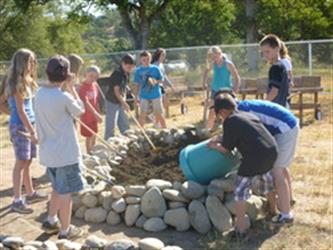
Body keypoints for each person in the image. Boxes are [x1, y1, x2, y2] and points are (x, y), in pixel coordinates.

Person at [214, 89, 298, 221]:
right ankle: (288, 200)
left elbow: (247, 134)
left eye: (220, 115)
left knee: (277, 172)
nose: (221, 119)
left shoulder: (240, 113)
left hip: (285, 127)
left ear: (223, 110)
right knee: (280, 166)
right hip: (287, 122)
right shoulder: (240, 107)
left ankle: (286, 214)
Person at [208, 93, 278, 239]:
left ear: (222, 112)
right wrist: (222, 137)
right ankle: (273, 211)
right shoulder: (245, 115)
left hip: (254, 157)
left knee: (240, 191)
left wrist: (213, 146)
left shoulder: (229, 121)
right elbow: (244, 134)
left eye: (219, 115)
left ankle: (240, 229)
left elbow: (226, 150)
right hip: (271, 150)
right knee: (266, 181)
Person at [35, 55, 86, 239]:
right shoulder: (63, 97)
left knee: (56, 187)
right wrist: (72, 89)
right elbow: (80, 110)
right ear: (66, 76)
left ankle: (51, 220)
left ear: (47, 73)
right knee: (66, 193)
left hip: (49, 153)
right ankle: (66, 230)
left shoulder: (39, 94)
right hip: (65, 154)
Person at [5, 48, 47, 214]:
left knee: (28, 161)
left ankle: (30, 193)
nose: (33, 64)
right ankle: (17, 199)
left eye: (34, 61)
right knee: (20, 163)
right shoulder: (17, 83)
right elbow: (20, 111)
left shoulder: (28, 80)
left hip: (29, 124)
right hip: (21, 127)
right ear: (22, 63)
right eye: (30, 61)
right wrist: (31, 131)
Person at [202, 46, 241, 130]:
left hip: (226, 91)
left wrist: (235, 89)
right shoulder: (213, 64)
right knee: (212, 111)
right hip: (215, 90)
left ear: (219, 54)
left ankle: (226, 129)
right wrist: (204, 82)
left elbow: (236, 78)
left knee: (225, 111)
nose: (214, 58)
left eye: (215, 56)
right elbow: (206, 71)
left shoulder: (228, 64)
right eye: (212, 57)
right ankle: (208, 130)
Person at [104, 54, 136, 140]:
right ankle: (109, 140)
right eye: (129, 67)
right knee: (111, 124)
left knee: (124, 122)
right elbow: (116, 91)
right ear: (123, 64)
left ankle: (128, 139)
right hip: (112, 101)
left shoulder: (126, 73)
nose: (130, 69)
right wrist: (124, 103)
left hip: (120, 100)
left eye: (131, 67)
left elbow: (124, 88)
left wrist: (124, 100)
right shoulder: (117, 74)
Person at [133, 51, 166, 128]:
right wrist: (136, 96)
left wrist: (155, 81)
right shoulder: (138, 71)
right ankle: (140, 131)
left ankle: (165, 129)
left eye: (148, 59)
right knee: (142, 114)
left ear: (150, 59)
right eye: (144, 60)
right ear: (140, 60)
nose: (146, 61)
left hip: (155, 94)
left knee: (159, 113)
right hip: (144, 95)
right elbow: (137, 84)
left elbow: (162, 80)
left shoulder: (155, 68)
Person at [260, 34, 289, 108]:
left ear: (277, 49)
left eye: (267, 51)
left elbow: (274, 92)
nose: (265, 55)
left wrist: (262, 105)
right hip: (282, 107)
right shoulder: (281, 65)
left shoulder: (276, 67)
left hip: (276, 109)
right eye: (263, 52)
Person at [78, 66, 103, 154]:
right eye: (91, 76)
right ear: (86, 75)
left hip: (94, 116)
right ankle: (89, 153)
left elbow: (96, 101)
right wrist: (95, 113)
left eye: (96, 77)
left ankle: (94, 150)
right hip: (86, 116)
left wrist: (98, 113)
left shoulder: (95, 85)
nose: (93, 79)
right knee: (89, 135)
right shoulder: (83, 87)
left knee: (94, 133)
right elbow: (86, 102)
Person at [151, 48, 175, 126]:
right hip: (156, 88)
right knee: (161, 105)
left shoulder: (161, 65)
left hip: (161, 87)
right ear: (158, 55)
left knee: (165, 103)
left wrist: (171, 85)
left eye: (164, 55)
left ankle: (155, 119)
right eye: (162, 55)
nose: (164, 57)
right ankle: (158, 122)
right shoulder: (154, 65)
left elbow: (164, 77)